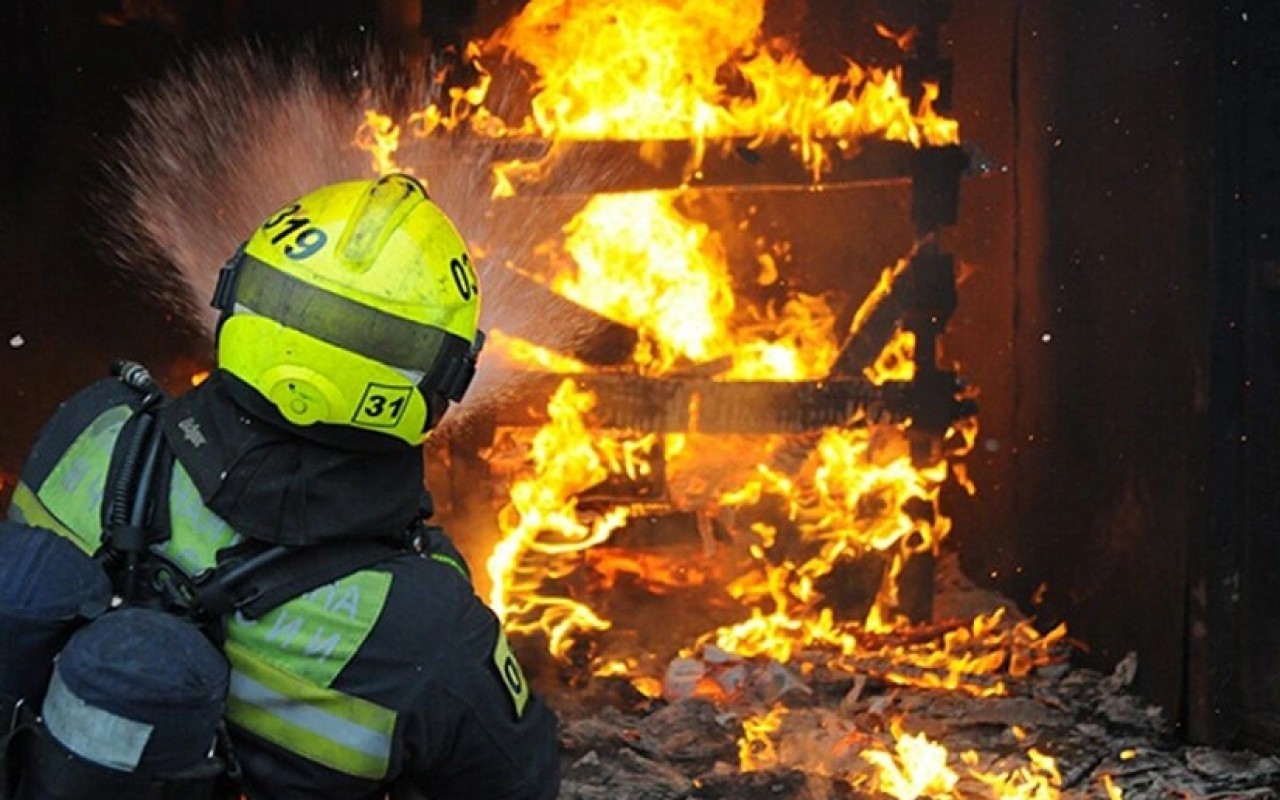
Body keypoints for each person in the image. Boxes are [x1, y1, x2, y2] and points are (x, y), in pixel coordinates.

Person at [1, 174, 561, 800]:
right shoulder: (427, 626)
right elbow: (523, 781)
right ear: (439, 384)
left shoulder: (95, 427)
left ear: (236, 299)